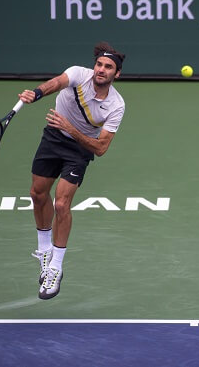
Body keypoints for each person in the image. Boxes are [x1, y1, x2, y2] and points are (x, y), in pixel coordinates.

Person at [18, 41, 126, 300]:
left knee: (62, 204)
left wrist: (71, 127)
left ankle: (56, 266)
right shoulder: (79, 74)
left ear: (116, 74)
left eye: (108, 67)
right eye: (99, 64)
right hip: (53, 138)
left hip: (80, 149)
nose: (101, 69)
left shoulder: (116, 106)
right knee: (37, 193)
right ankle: (44, 252)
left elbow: (100, 148)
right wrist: (37, 93)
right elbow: (56, 82)